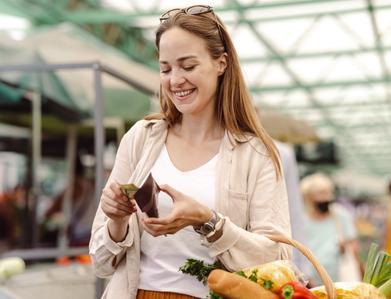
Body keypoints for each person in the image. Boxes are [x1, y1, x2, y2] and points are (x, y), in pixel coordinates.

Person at [89, 5, 291, 299]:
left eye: (188, 65)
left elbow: (279, 259)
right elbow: (101, 262)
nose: (175, 80)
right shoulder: (140, 139)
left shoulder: (256, 153)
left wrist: (208, 221)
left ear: (221, 63)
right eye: (166, 68)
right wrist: (116, 221)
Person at [300, 172, 362, 286]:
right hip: (310, 282)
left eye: (329, 192)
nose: (327, 198)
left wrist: (347, 249)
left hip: (339, 280)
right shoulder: (301, 220)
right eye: (321, 193)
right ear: (308, 197)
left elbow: (354, 246)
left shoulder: (340, 215)